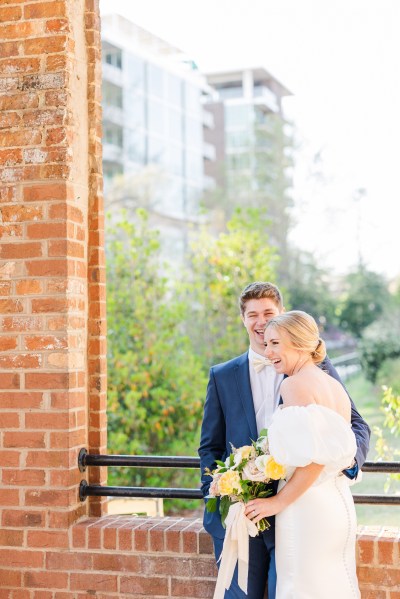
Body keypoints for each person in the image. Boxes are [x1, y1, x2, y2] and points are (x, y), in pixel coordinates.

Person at [198, 282, 370, 599]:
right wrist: (218, 494)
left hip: (297, 505)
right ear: (243, 319)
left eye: (268, 314)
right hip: (245, 512)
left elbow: (352, 427)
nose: (261, 323)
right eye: (253, 314)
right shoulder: (222, 375)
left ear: (283, 318)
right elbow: (210, 444)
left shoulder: (313, 372)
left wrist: (343, 465)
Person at [244, 310, 361, 598]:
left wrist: (276, 502)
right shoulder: (334, 385)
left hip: (305, 507)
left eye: (275, 344)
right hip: (337, 503)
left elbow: (314, 459)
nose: (267, 351)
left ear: (297, 343)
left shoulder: (293, 384)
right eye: (266, 344)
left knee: (300, 585)